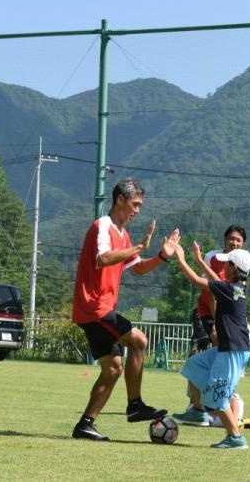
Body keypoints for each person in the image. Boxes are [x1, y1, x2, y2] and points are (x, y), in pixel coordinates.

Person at [71, 178, 180, 441]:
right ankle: (135, 405)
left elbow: (139, 268)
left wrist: (162, 256)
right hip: (94, 307)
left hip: (100, 309)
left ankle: (85, 424)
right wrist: (139, 247)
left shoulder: (124, 234)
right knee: (139, 340)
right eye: (135, 204)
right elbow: (102, 259)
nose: (137, 210)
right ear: (120, 199)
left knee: (112, 369)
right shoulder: (102, 226)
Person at [172, 242, 250, 449]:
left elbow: (195, 280)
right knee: (194, 365)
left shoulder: (230, 289)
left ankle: (235, 438)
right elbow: (216, 280)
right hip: (229, 348)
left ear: (235, 268)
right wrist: (200, 260)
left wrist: (181, 258)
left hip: (232, 351)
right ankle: (199, 411)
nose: (223, 266)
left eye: (227, 264)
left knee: (218, 396)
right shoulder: (236, 288)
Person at [192, 225, 247, 351]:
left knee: (227, 343)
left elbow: (238, 294)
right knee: (217, 339)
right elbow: (210, 289)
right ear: (225, 239)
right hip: (208, 309)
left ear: (243, 243)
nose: (234, 243)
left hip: (228, 312)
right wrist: (216, 322)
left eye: (238, 240)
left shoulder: (243, 261)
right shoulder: (212, 257)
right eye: (231, 239)